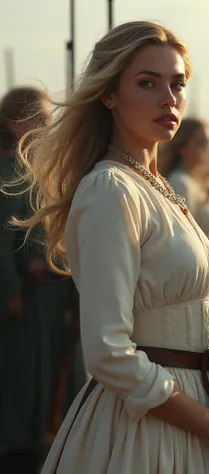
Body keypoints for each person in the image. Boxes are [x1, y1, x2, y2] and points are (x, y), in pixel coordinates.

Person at [11, 21, 209, 474]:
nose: (169, 98)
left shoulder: (158, 187)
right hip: (144, 428)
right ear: (110, 94)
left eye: (177, 83)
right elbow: (108, 351)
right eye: (147, 83)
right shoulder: (111, 188)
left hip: (190, 410)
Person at [0, 86, 85, 473]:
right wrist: (12, 291)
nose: (49, 129)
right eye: (42, 121)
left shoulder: (40, 170)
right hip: (24, 302)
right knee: (23, 385)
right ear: (18, 124)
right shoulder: (8, 172)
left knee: (53, 379)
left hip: (49, 298)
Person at [160, 118, 209, 318]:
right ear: (182, 147)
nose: (208, 149)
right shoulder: (180, 183)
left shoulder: (198, 184)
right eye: (201, 143)